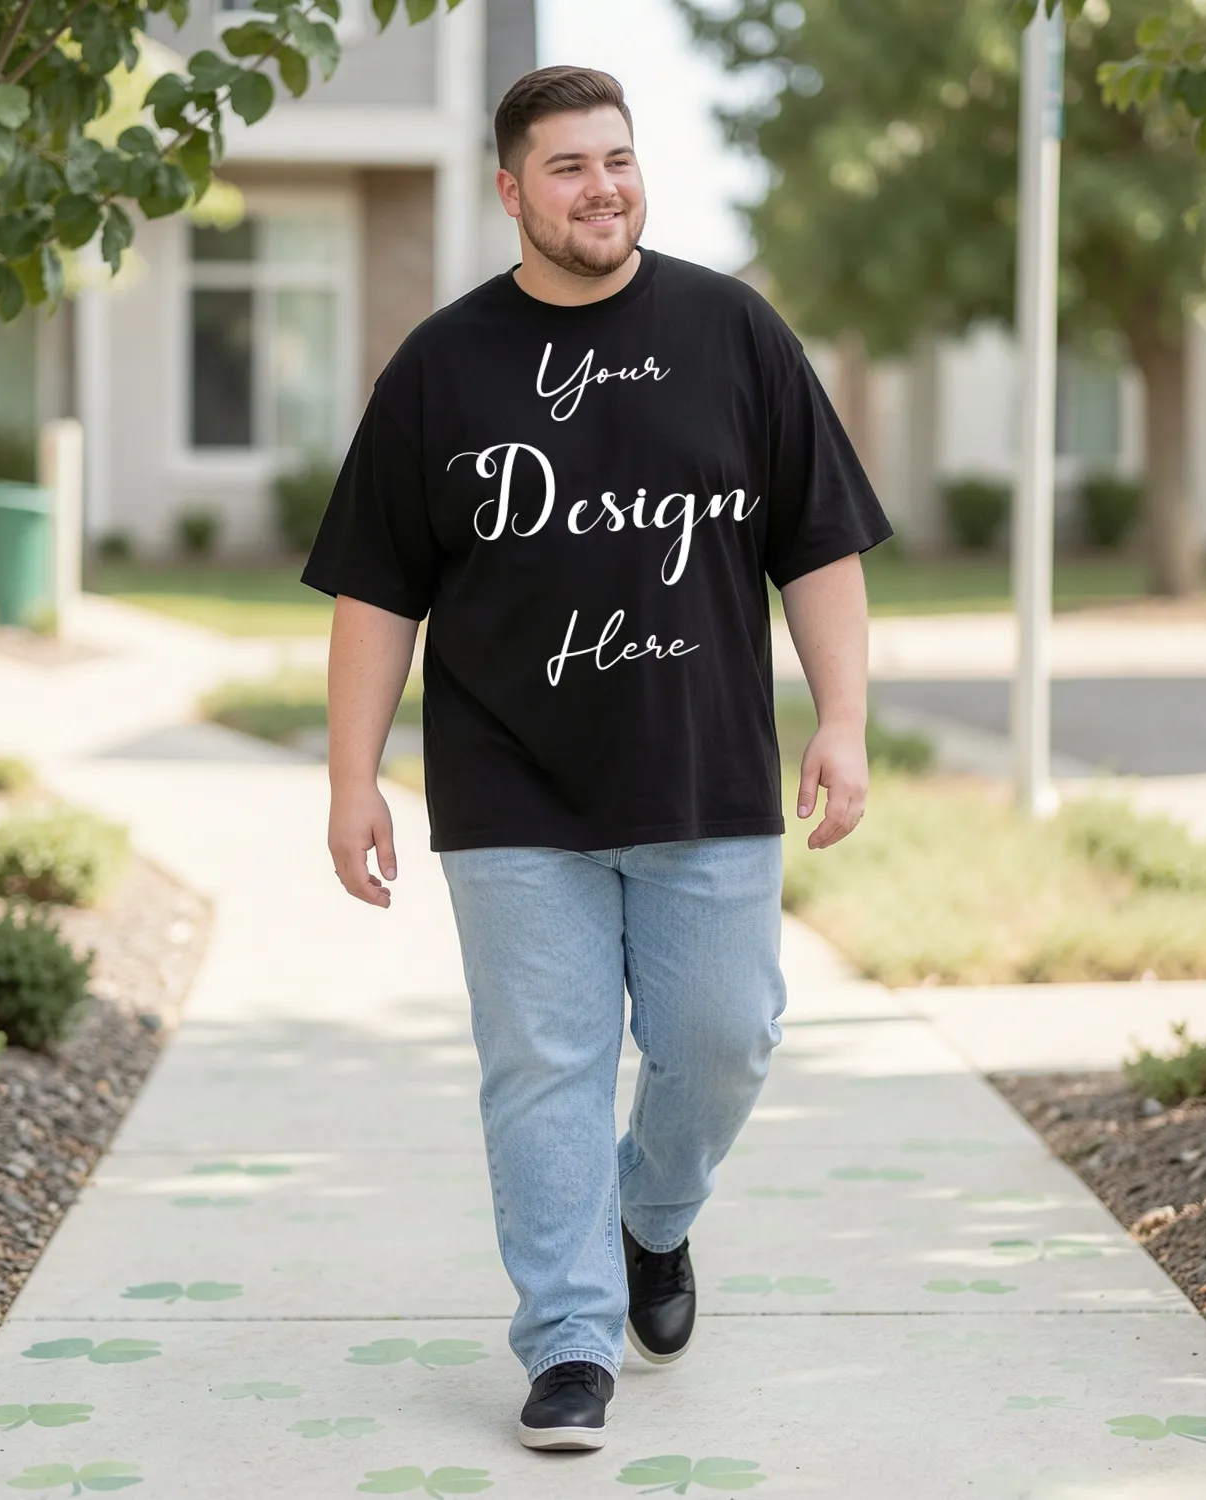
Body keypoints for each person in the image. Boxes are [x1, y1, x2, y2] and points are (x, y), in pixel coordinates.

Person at [301, 64, 892, 1454]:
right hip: (511, 788)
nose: (602, 187)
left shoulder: (732, 331)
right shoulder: (444, 366)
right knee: (542, 1064)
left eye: (617, 159)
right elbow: (378, 590)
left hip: (707, 777)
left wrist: (845, 720)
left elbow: (817, 542)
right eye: (567, 167)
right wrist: (350, 777)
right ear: (511, 191)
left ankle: (654, 1215)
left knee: (725, 1037)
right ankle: (568, 1342)